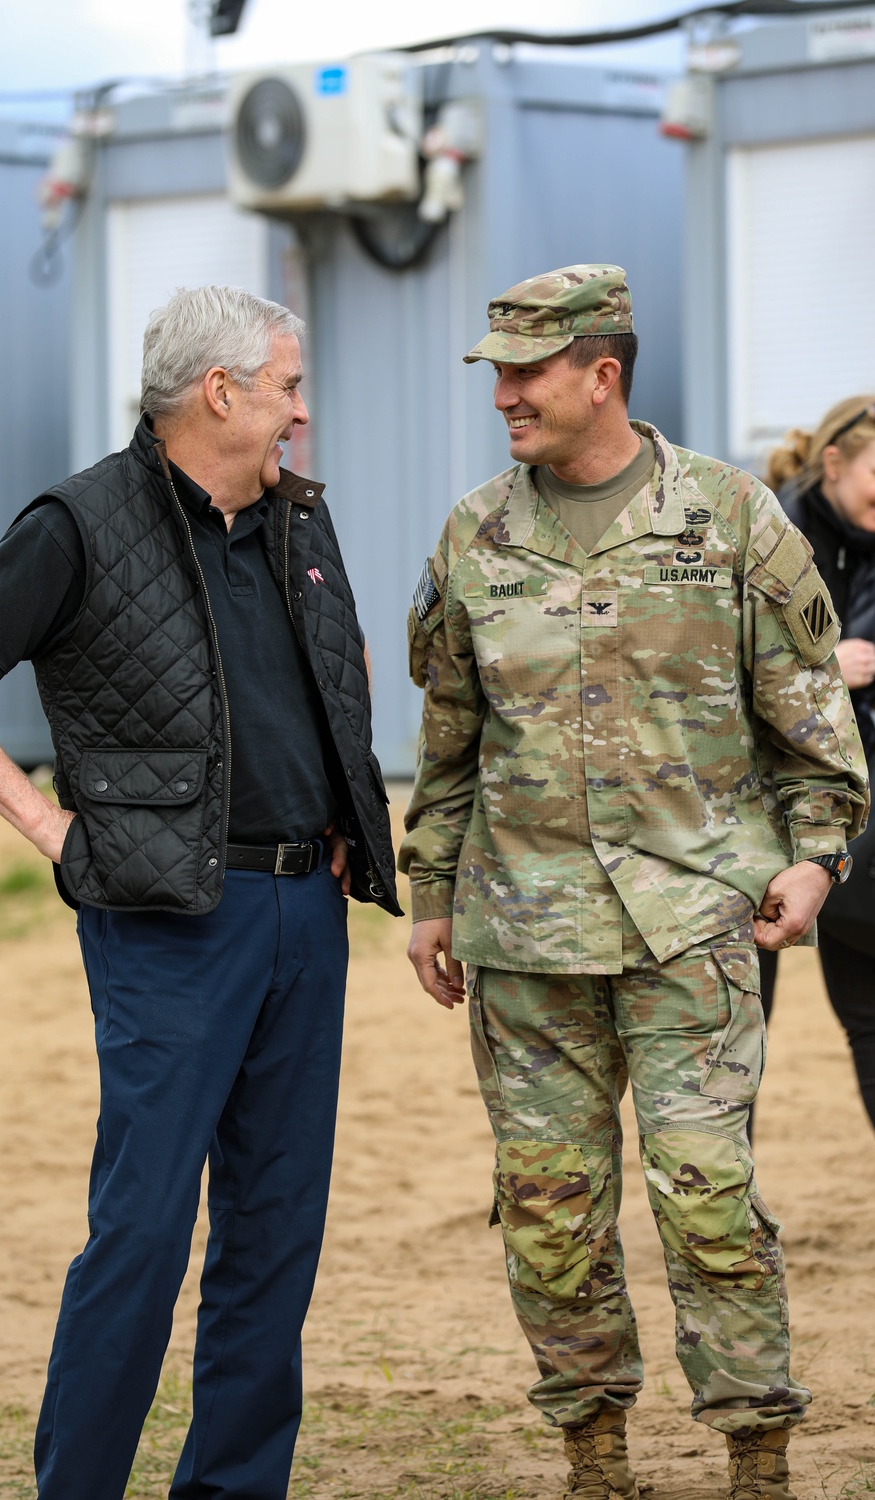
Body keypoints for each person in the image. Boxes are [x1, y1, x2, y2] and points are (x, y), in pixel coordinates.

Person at [0, 284, 400, 1500]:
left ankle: (232, 1487)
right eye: (286, 386)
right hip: (168, 923)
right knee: (145, 1231)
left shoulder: (295, 519)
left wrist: (336, 801)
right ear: (219, 393)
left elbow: (328, 671)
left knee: (274, 1234)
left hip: (302, 911)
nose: (300, 411)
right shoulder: (79, 522)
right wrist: (52, 830)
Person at [399, 265, 867, 1500]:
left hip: (693, 924)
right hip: (522, 934)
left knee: (708, 1199)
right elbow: (450, 733)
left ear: (601, 374)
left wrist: (816, 857)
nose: (502, 394)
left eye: (525, 372)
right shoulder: (474, 533)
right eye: (496, 372)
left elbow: (810, 717)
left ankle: (754, 1455)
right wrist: (429, 891)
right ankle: (592, 1455)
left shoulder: (730, 518)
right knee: (549, 1213)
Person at [754, 397, 875, 1132]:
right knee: (737, 1025)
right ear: (833, 464)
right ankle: (717, 1200)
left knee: (867, 1012)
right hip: (754, 810)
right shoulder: (766, 539)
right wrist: (829, 669)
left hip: (855, 819)